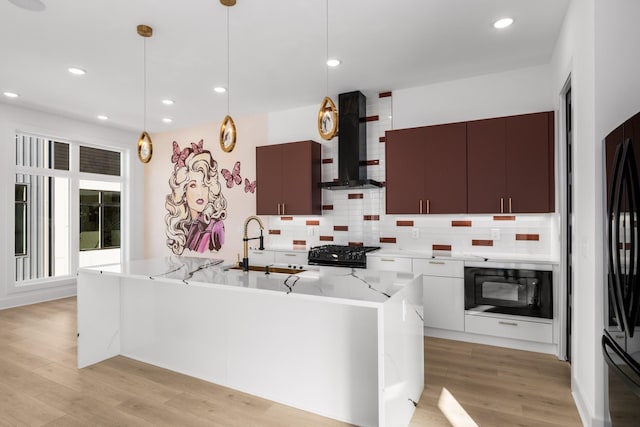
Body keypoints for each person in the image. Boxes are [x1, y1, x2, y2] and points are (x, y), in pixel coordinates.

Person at [165, 140, 227, 254]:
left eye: (204, 185)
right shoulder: (182, 226)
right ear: (184, 191)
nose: (200, 193)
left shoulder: (215, 227)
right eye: (193, 185)